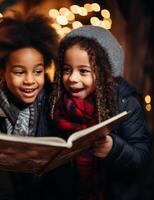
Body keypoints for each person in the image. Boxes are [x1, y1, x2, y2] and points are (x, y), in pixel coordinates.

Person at [50, 25, 151, 200]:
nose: (72, 78)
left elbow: (142, 159)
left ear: (104, 73)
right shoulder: (55, 104)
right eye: (66, 69)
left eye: (84, 71)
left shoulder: (125, 103)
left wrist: (114, 149)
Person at [0, 12, 59, 200]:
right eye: (19, 72)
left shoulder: (56, 102)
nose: (30, 81)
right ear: (1, 70)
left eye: (37, 71)